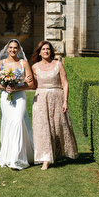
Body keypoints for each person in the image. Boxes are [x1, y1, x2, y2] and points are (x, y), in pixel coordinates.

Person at [30, 40, 78, 170]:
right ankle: (46, 159)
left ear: (51, 51)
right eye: (43, 49)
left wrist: (65, 101)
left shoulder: (58, 64)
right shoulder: (34, 67)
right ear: (39, 52)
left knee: (57, 127)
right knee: (42, 128)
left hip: (57, 96)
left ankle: (55, 154)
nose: (46, 51)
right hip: (40, 99)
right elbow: (34, 85)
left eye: (48, 49)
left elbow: (65, 83)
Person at [0, 39, 35, 169]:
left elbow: (31, 84)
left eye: (15, 48)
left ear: (19, 49)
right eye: (10, 47)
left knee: (18, 122)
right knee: (7, 124)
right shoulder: (1, 63)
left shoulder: (24, 63)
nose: (12, 50)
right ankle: (7, 156)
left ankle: (18, 159)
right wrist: (4, 87)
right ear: (7, 49)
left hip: (20, 97)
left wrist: (17, 88)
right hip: (6, 98)